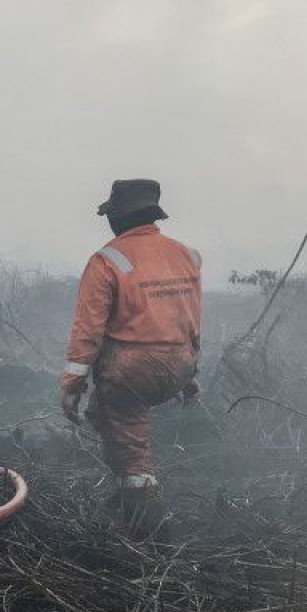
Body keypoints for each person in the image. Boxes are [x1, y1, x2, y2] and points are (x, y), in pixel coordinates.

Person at [60, 179, 201, 539]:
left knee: (131, 450)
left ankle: (148, 535)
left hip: (133, 370)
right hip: (179, 363)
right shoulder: (186, 253)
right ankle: (126, 488)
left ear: (118, 218)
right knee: (106, 415)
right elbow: (189, 317)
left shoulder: (106, 260)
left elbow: (87, 331)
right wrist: (190, 373)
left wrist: (72, 384)